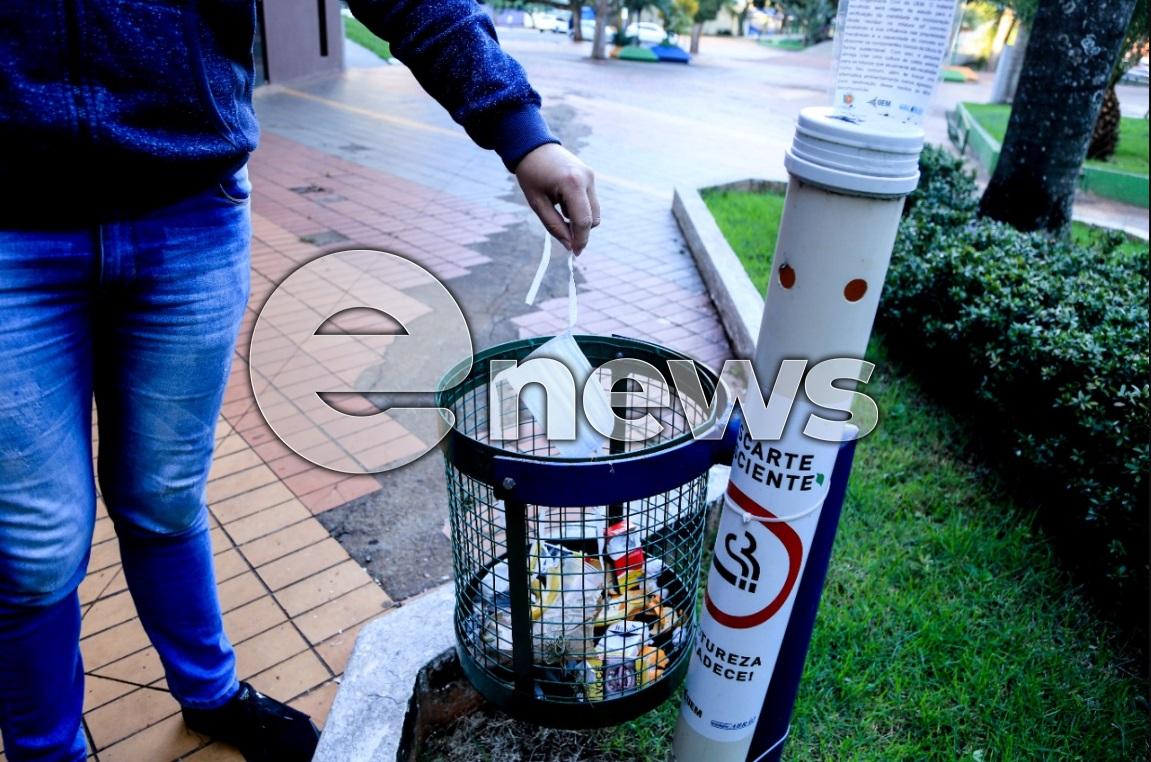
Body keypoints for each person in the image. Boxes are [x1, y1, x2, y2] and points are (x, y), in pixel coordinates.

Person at [0, 1, 599, 760]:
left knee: (164, 498)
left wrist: (518, 129)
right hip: (12, 230)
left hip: (188, 213)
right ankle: (46, 752)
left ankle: (209, 693)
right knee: (35, 550)